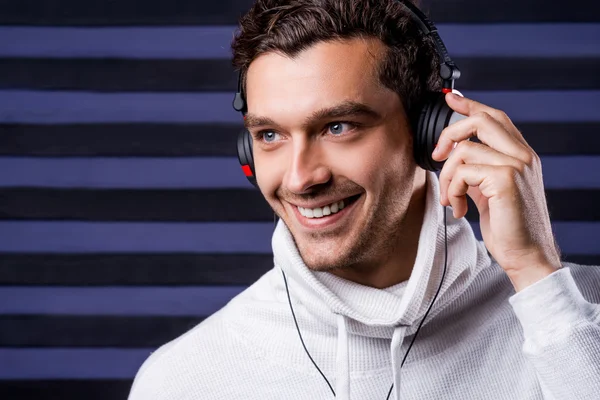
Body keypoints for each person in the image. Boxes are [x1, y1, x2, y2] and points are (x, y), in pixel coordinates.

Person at [128, 0, 600, 399]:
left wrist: (538, 280)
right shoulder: (181, 380)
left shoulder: (580, 317)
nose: (299, 178)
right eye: (270, 134)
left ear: (428, 131)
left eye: (339, 127)